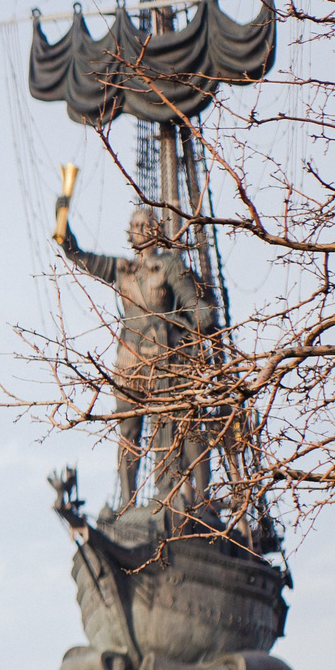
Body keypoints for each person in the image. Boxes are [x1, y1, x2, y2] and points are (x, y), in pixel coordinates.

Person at [61, 205, 216, 505]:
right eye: (135, 224)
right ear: (129, 232)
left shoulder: (170, 265)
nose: (140, 229)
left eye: (146, 225)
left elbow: (189, 301)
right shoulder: (122, 268)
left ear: (156, 232)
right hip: (130, 360)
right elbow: (79, 257)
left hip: (163, 359)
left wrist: (202, 317)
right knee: (128, 433)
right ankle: (127, 502)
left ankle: (167, 496)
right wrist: (62, 221)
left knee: (165, 429)